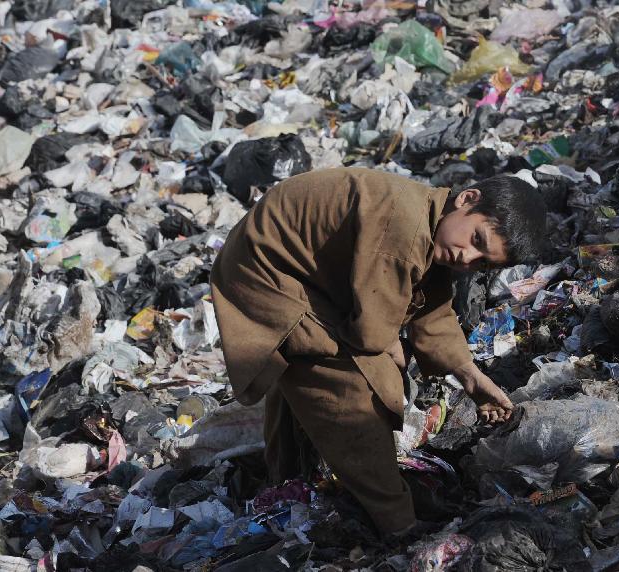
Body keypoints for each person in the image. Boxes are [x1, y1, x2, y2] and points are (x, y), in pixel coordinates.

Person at [210, 167, 546, 536]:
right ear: (467, 199)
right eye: (476, 240)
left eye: (483, 262)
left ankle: (287, 477)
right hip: (265, 273)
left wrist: (472, 377)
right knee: (354, 391)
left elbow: (433, 311)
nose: (467, 258)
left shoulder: (434, 218)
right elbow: (371, 336)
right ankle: (397, 522)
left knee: (307, 368)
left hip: (302, 275)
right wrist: (394, 356)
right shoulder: (402, 226)